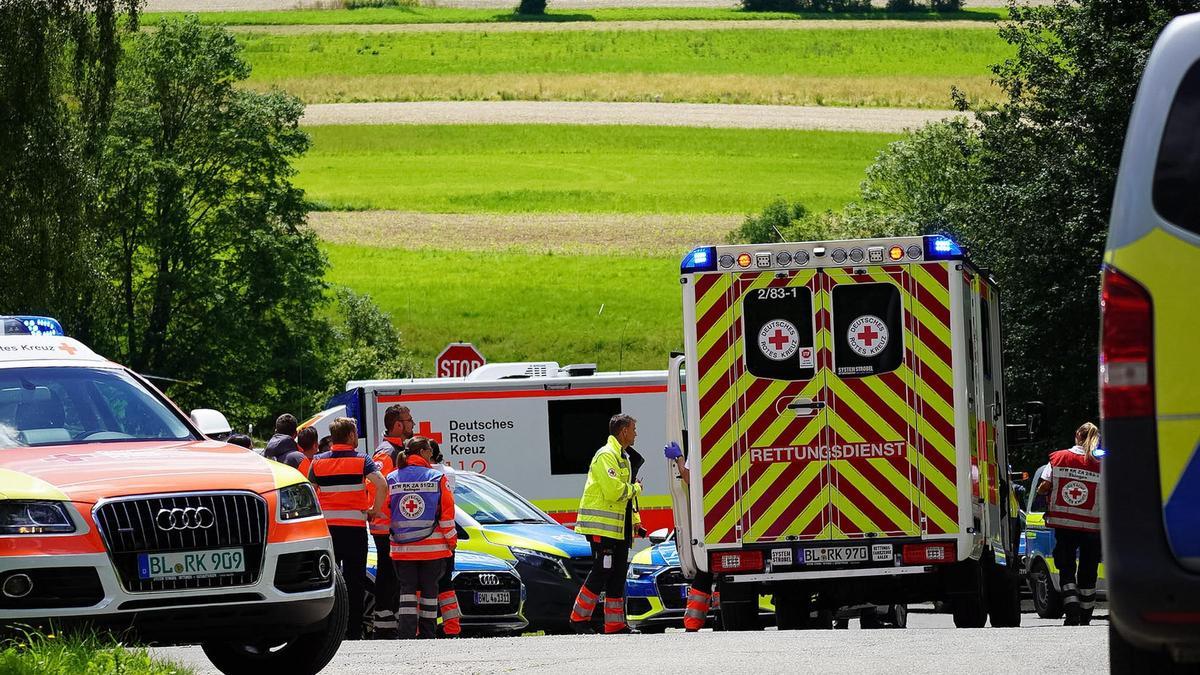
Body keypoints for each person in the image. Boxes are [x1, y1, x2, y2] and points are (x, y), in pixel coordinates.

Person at [308, 417, 387, 640]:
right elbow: (381, 484)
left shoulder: (317, 462)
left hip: (328, 531)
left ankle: (329, 630)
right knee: (355, 581)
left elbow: (309, 492)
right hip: (354, 530)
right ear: (351, 436)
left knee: (328, 580)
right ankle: (352, 631)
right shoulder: (362, 460)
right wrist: (374, 509)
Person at [569, 414, 645, 635]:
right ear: (623, 432)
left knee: (618, 572)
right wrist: (636, 488)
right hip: (601, 527)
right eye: (633, 429)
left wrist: (636, 522)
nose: (635, 434)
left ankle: (614, 624)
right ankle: (578, 618)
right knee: (602, 569)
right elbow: (615, 492)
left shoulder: (623, 457)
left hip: (618, 528)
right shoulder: (606, 456)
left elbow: (626, 499)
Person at [388, 436, 457, 639]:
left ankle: (407, 634)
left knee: (407, 592)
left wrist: (389, 541)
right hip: (432, 549)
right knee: (429, 593)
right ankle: (428, 634)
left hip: (402, 550)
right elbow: (446, 515)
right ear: (423, 453)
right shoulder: (436, 478)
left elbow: (385, 514)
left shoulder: (391, 478)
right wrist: (451, 542)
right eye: (429, 450)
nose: (431, 454)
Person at [1037, 422, 1103, 626]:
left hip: (1065, 524)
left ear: (1077, 435)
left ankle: (1072, 612)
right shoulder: (1102, 461)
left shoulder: (1058, 458)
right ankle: (1086, 615)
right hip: (1093, 526)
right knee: (1089, 569)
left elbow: (1044, 487)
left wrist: (1045, 491)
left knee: (1066, 567)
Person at [368, 404, 413, 639]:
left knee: (394, 575)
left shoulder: (398, 450)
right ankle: (384, 625)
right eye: (408, 420)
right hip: (386, 526)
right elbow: (375, 485)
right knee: (388, 574)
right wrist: (390, 514)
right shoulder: (386, 453)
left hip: (393, 525)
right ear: (398, 425)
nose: (413, 424)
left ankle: (389, 621)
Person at [665, 440, 714, 632]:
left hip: (709, 515)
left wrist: (678, 458)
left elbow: (688, 477)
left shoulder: (700, 440)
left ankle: (692, 622)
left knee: (705, 568)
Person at [430, 439, 461, 637]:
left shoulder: (429, 475)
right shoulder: (447, 473)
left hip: (421, 539)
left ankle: (422, 628)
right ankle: (452, 628)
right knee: (445, 584)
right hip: (445, 536)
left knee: (420, 585)